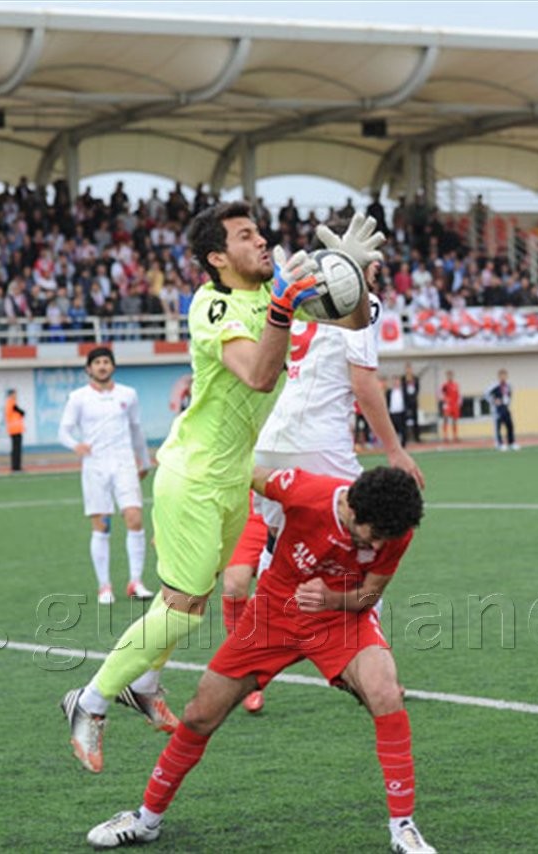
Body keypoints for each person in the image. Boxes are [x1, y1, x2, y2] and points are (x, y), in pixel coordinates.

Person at [59, 203, 375, 773]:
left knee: (192, 598)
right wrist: (284, 304)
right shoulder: (213, 305)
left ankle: (144, 683)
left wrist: (349, 276)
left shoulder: (275, 292)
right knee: (183, 610)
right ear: (217, 257)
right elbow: (259, 374)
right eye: (245, 236)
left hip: (233, 479)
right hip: (193, 476)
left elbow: (353, 323)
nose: (262, 241)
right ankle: (89, 700)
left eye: (259, 232)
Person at [84, 465, 437, 854]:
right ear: (352, 509)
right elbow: (234, 475)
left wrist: (332, 598)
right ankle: (146, 819)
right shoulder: (303, 490)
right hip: (272, 615)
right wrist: (178, 524)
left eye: (389, 538)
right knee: (200, 714)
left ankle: (403, 827)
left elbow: (370, 595)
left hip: (340, 618)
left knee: (386, 693)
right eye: (375, 535)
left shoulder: (396, 531)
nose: (380, 545)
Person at [221, 276, 424, 714]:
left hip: (272, 437)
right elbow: (363, 383)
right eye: (371, 261)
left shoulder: (296, 301)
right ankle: (369, 669)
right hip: (320, 443)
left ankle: (248, 672)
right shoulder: (359, 302)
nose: (377, 269)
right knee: (369, 538)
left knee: (281, 547)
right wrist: (394, 449)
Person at [58, 346, 154, 605]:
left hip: (124, 462)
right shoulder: (78, 397)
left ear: (113, 366)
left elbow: (136, 429)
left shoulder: (128, 395)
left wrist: (144, 460)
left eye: (106, 362)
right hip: (96, 465)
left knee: (134, 518)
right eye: (97, 362)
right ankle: (104, 586)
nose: (102, 366)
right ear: (89, 368)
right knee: (101, 524)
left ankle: (136, 582)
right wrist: (76, 445)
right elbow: (64, 431)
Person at [487, 369, 518, 450]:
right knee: (498, 427)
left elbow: (509, 395)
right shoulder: (495, 386)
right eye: (501, 375)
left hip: (506, 408)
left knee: (510, 426)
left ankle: (511, 443)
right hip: (497, 409)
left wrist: (508, 402)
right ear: (499, 376)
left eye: (505, 375)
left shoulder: (508, 386)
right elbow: (486, 394)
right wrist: (493, 401)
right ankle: (499, 444)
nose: (503, 377)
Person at [4, 388, 25, 472]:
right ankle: (16, 467)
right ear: (11, 394)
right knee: (16, 449)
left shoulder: (10, 403)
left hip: (15, 429)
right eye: (14, 394)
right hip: (15, 430)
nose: (16, 395)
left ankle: (16, 466)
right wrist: (22, 413)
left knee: (16, 449)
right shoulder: (11, 402)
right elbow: (21, 412)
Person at [440, 369, 461, 442]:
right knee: (445, 419)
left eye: (451, 375)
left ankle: (455, 436)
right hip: (448, 405)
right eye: (448, 375)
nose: (450, 377)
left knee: (454, 421)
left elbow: (458, 395)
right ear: (446, 376)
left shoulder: (456, 385)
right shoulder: (444, 385)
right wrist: (445, 401)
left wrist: (459, 403)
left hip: (455, 405)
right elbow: (441, 394)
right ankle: (445, 436)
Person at [402, 362, 422, 443]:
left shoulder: (415, 378)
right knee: (405, 420)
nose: (408, 370)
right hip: (406, 402)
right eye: (407, 369)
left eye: (409, 369)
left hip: (413, 401)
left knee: (415, 420)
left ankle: (417, 437)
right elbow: (403, 390)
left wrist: (413, 397)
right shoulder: (403, 379)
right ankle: (406, 437)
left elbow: (417, 389)